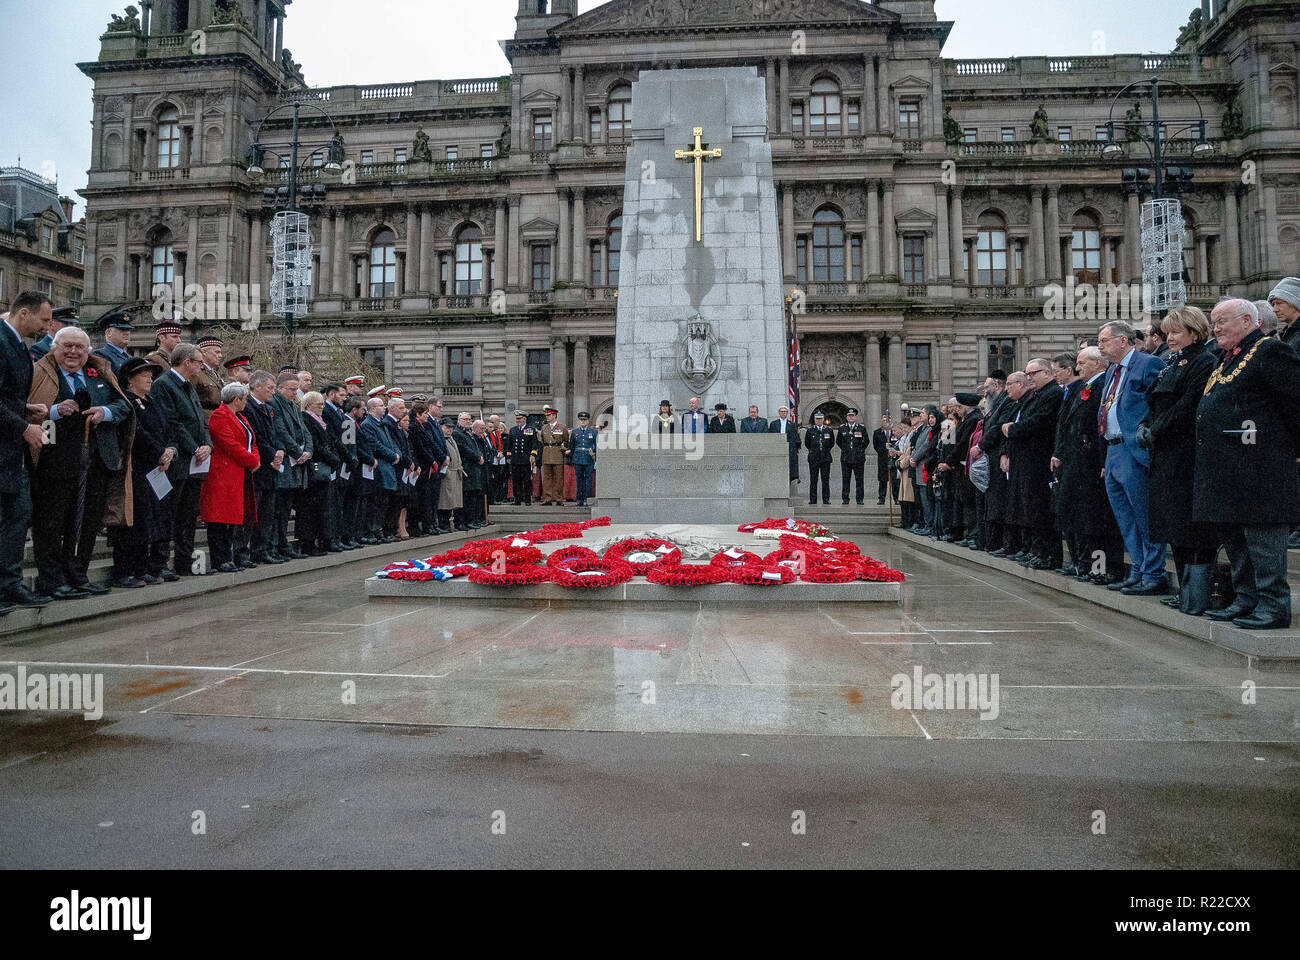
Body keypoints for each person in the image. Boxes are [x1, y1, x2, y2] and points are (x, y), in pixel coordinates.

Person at [1195, 299, 1300, 629]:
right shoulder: (1227, 359)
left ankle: (1273, 606)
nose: (1216, 328)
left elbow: (1295, 402)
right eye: (1213, 322)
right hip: (1228, 471)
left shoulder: (1270, 351)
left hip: (1261, 469)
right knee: (1237, 542)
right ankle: (1246, 599)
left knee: (1263, 542)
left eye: (1222, 321)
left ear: (1246, 320)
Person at [27, 326, 132, 599]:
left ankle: (78, 574)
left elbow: (123, 406)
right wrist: (54, 411)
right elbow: (27, 411)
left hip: (95, 462)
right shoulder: (41, 373)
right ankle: (51, 580)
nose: (73, 352)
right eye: (67, 346)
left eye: (79, 347)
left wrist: (105, 411)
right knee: (52, 522)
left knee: (86, 523)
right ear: (55, 349)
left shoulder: (99, 373)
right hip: (54, 460)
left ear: (87, 351)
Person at [1142, 306, 1219, 614]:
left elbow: (1188, 405)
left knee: (1191, 527)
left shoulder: (1203, 361)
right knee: (1174, 525)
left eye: (1176, 332)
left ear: (1194, 332)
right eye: (1168, 332)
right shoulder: (1172, 363)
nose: (1169, 337)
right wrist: (1147, 425)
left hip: (1186, 454)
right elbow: (1156, 401)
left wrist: (1156, 429)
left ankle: (1196, 591)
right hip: (1165, 454)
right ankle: (1186, 589)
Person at [1097, 320, 1168, 595]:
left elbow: (1159, 403)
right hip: (1113, 449)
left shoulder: (1148, 364)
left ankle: (1153, 572)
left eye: (1104, 341)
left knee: (1143, 514)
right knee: (1125, 517)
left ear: (1123, 340)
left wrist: (1146, 436)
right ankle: (1138, 568)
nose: (1100, 346)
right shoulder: (1112, 371)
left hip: (1133, 449)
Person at [1051, 348, 1122, 584]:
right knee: (1086, 519)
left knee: (1098, 520)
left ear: (1099, 363)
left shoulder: (1102, 384)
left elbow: (1100, 425)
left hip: (1093, 462)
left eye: (1082, 363)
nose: (1077, 368)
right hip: (1078, 461)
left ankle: (1104, 568)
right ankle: (1093, 566)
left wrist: (1101, 460)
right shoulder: (1085, 387)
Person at [0, 293, 53, 611]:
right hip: (6, 445)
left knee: (17, 515)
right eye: (44, 319)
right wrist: (23, 426)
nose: (48, 326)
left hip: (9, 449)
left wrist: (25, 408)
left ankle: (8, 583)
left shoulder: (18, 343)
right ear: (23, 313)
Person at [106, 357, 175, 587]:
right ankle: (123, 570)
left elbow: (166, 426)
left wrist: (168, 451)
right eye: (143, 374)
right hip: (133, 468)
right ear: (129, 379)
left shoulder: (152, 401)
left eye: (150, 374)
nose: (149, 378)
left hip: (154, 467)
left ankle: (141, 568)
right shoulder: (128, 402)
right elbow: (138, 433)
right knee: (132, 520)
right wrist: (159, 452)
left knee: (149, 519)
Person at [149, 343, 213, 577]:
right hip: (178, 459)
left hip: (195, 461)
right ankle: (159, 562)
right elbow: (172, 423)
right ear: (186, 362)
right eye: (198, 362)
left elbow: (200, 421)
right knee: (168, 512)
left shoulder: (188, 387)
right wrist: (195, 447)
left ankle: (183, 561)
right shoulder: (165, 385)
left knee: (188, 513)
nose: (201, 366)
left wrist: (207, 444)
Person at [1002, 360, 1063, 569]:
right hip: (1026, 459)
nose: (1029, 378)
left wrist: (1013, 429)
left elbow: (1038, 421)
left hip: (1039, 459)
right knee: (1031, 508)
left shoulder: (1053, 393)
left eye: (1032, 374)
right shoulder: (1037, 395)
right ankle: (1038, 550)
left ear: (1046, 372)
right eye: (1027, 375)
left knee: (1040, 508)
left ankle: (1048, 554)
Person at [200, 382, 261, 572]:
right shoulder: (220, 416)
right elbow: (230, 444)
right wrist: (252, 461)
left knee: (232, 519)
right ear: (236, 400)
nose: (246, 403)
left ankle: (229, 557)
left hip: (238, 472)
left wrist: (255, 459)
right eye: (244, 399)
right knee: (219, 520)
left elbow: (252, 441)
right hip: (223, 474)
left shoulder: (241, 417)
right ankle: (221, 559)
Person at [243, 371, 286, 565]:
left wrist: (280, 451)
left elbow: (275, 433)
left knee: (268, 512)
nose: (272, 392)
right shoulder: (248, 406)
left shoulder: (268, 407)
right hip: (259, 465)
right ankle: (250, 550)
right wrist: (272, 454)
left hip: (271, 466)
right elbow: (256, 436)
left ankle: (263, 549)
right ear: (257, 386)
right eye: (269, 388)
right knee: (255, 511)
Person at [271, 370, 311, 559]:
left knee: (286, 508)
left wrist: (308, 451)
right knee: (278, 509)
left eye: (296, 389)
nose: (295, 393)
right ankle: (275, 544)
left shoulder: (294, 406)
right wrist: (296, 451)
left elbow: (305, 431)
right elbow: (280, 431)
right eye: (291, 389)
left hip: (297, 461)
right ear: (279, 388)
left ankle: (282, 544)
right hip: (285, 460)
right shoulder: (274, 403)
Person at [984, 372, 1024, 557]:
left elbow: (999, 428)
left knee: (1004, 502)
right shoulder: (995, 404)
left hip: (1004, 457)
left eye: (987, 387)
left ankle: (1008, 543)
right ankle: (995, 541)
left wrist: (980, 445)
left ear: (997, 386)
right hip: (995, 457)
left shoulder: (1006, 403)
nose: (984, 392)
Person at [299, 390, 341, 555]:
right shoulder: (307, 419)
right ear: (309, 405)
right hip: (314, 470)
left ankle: (324, 539)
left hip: (324, 469)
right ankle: (309, 543)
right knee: (310, 508)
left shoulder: (320, 421)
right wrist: (334, 459)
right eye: (319, 404)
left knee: (323, 507)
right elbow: (316, 445)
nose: (322, 407)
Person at [941, 393, 984, 546]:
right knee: (958, 500)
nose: (955, 409)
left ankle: (970, 533)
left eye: (957, 406)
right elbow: (946, 444)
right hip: (954, 465)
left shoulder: (972, 419)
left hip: (963, 465)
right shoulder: (948, 422)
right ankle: (960, 531)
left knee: (967, 501)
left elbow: (963, 443)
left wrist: (949, 461)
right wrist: (945, 460)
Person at [359, 397, 398, 542]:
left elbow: (390, 442)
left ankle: (378, 529)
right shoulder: (368, 424)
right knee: (376, 502)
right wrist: (392, 455)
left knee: (383, 502)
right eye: (381, 405)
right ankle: (373, 530)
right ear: (373, 408)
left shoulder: (381, 424)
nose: (384, 408)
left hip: (388, 466)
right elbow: (375, 445)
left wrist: (396, 454)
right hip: (379, 467)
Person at [910, 407, 940, 535]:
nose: (921, 415)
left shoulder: (929, 430)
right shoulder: (923, 430)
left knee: (926, 500)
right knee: (922, 499)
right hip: (918, 467)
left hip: (924, 466)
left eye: (923, 413)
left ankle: (929, 525)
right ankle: (926, 524)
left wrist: (914, 458)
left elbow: (925, 446)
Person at [835, 407, 869, 505]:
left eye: (852, 416)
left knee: (859, 479)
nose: (851, 417)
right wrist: (846, 450)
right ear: (846, 417)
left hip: (858, 458)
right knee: (845, 479)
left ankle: (860, 499)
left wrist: (859, 450)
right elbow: (839, 441)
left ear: (855, 417)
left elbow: (866, 441)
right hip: (846, 458)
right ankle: (845, 498)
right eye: (849, 416)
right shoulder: (842, 428)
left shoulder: (861, 428)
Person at [438, 417, 466, 531]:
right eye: (447, 427)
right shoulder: (441, 438)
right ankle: (443, 523)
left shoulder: (451, 438)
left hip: (456, 472)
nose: (449, 430)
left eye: (451, 428)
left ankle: (452, 522)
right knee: (445, 500)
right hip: (448, 472)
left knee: (454, 500)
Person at [768, 405, 801, 498]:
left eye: (785, 411)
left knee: (789, 472)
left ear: (787, 413)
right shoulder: (773, 424)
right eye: (781, 411)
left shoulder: (792, 424)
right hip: (777, 451)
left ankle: (787, 492)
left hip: (789, 452)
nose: (783, 413)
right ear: (779, 413)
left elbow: (796, 439)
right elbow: (770, 438)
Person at [537, 406, 569, 506]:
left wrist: (563, 449)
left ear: (554, 415)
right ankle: (547, 498)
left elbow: (566, 441)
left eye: (549, 415)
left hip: (557, 453)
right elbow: (542, 440)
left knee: (558, 478)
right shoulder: (544, 427)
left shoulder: (562, 427)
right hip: (546, 453)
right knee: (547, 478)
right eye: (546, 415)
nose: (547, 417)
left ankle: (559, 498)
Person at [507, 411, 539, 505]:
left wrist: (533, 455)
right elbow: (510, 444)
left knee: (527, 481)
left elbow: (534, 444)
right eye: (517, 419)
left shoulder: (530, 429)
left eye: (519, 419)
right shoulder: (513, 430)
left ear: (524, 419)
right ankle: (517, 499)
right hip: (516, 459)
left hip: (525, 459)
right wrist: (509, 456)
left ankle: (527, 500)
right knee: (516, 481)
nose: (518, 421)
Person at [804, 411, 835, 505]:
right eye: (817, 419)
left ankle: (826, 499)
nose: (819, 420)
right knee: (813, 479)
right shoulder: (810, 430)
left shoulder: (828, 430)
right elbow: (807, 443)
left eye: (820, 419)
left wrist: (824, 451)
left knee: (825, 480)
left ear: (823, 419)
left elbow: (831, 443)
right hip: (814, 458)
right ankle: (813, 500)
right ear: (814, 420)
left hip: (825, 458)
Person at [92, 310, 134, 375]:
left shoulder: (129, 357)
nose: (127, 333)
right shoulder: (100, 355)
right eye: (122, 329)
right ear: (109, 333)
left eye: (128, 329)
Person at [194, 335, 224, 422]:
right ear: (204, 352)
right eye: (217, 352)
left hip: (217, 420)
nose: (220, 356)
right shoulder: (197, 373)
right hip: (205, 421)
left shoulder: (215, 374)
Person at [570, 411, 597, 506]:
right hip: (578, 458)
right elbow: (572, 446)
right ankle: (580, 499)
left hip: (589, 458)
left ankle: (588, 499)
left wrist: (595, 457)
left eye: (584, 420)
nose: (583, 422)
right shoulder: (575, 432)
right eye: (581, 420)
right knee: (579, 479)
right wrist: (571, 458)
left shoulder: (593, 432)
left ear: (588, 421)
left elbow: (596, 446)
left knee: (589, 479)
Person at [872, 415, 892, 504]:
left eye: (887, 420)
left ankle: (896, 498)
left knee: (894, 480)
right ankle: (881, 498)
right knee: (882, 479)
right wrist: (884, 447)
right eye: (884, 420)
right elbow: (875, 446)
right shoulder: (877, 433)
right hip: (882, 459)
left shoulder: (895, 432)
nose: (885, 422)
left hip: (893, 458)